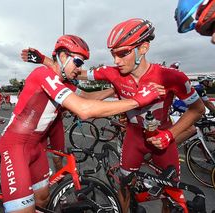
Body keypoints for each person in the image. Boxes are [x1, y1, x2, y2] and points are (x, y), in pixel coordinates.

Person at [22, 19, 205, 213]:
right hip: (133, 138)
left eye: (122, 53)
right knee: (124, 187)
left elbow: (197, 109)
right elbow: (74, 71)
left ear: (143, 48)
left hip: (164, 138)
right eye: (113, 54)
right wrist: (46, 60)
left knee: (171, 194)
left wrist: (170, 134)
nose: (116, 61)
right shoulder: (112, 73)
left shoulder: (172, 76)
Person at [0, 34, 164, 213]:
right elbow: (84, 110)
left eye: (82, 63)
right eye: (78, 62)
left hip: (37, 146)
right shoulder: (43, 74)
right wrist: (138, 100)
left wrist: (115, 89)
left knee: (43, 198)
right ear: (62, 57)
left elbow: (88, 97)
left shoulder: (65, 83)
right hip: (15, 145)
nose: (80, 68)